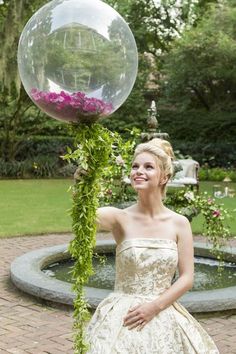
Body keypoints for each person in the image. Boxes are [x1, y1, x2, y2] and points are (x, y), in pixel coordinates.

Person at [85, 138, 219, 353]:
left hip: (162, 311)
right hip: (123, 316)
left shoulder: (179, 223)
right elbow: (85, 216)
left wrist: (153, 307)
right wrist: (83, 183)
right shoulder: (119, 217)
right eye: (135, 166)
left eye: (148, 167)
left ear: (164, 177)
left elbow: (186, 278)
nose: (139, 171)